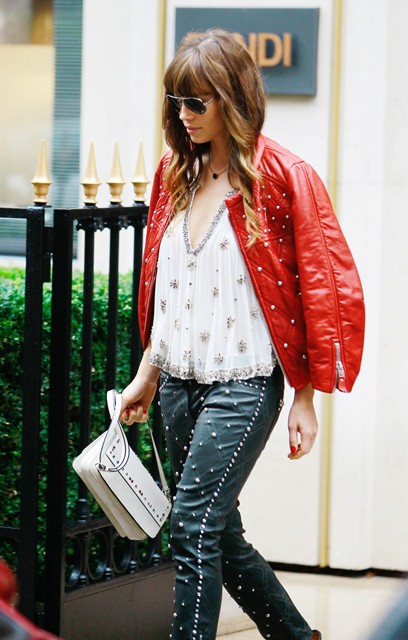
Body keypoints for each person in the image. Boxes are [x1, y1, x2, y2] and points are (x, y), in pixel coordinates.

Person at [120, 29, 365, 640]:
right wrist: (147, 373)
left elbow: (319, 283)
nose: (184, 114)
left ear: (232, 98)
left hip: (244, 382)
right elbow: (169, 288)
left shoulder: (281, 176)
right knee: (218, 530)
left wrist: (305, 395)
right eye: (176, 100)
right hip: (176, 383)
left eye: (196, 102)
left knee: (192, 525)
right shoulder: (174, 173)